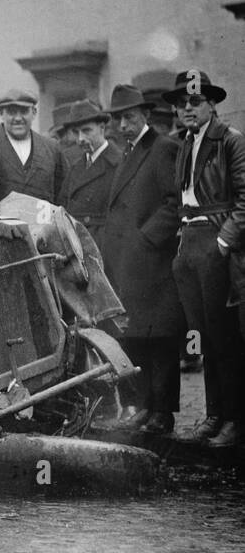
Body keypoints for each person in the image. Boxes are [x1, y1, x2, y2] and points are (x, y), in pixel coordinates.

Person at [166, 69, 245, 448]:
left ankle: (234, 419)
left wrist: (224, 243)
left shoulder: (230, 141)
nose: (187, 108)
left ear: (212, 105)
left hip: (216, 242)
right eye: (182, 103)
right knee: (202, 336)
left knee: (224, 335)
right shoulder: (185, 142)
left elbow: (244, 200)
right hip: (190, 243)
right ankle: (214, 414)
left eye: (195, 101)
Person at [99, 85, 184, 435]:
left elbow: (175, 202)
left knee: (161, 338)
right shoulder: (129, 152)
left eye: (129, 117)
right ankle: (147, 407)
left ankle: (163, 412)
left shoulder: (163, 148)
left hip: (153, 263)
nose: (123, 125)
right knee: (138, 337)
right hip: (128, 264)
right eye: (118, 118)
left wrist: (146, 239)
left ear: (145, 115)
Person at [59, 99, 121, 240]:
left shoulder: (119, 164)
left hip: (105, 246)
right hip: (77, 245)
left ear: (102, 128)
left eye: (86, 131)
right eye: (76, 132)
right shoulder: (75, 166)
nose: (81, 139)